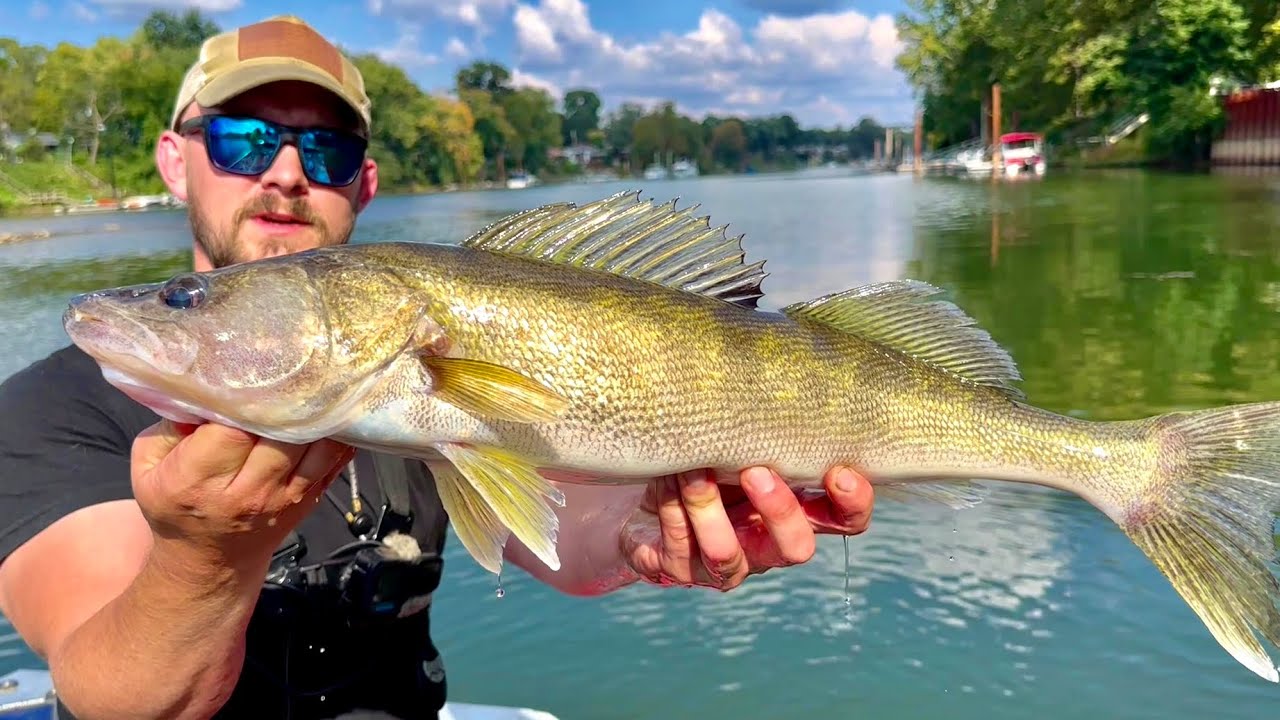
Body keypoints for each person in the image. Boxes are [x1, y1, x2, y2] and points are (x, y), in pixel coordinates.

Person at [0, 15, 875, 720]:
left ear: (367, 182)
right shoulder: (50, 410)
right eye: (242, 139)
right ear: (172, 158)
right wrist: (204, 557)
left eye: (329, 151)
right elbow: (114, 699)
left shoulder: (384, 366)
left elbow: (566, 538)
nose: (289, 173)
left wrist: (647, 534)